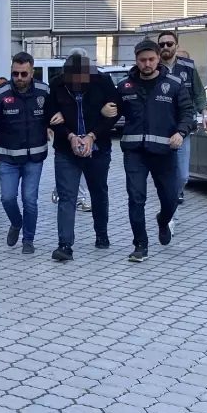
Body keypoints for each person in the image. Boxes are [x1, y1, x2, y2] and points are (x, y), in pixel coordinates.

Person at [117, 40, 195, 262]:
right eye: (142, 60)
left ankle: (163, 220)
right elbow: (112, 113)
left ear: (158, 58)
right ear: (136, 60)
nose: (147, 64)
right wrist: (105, 112)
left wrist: (180, 132)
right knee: (136, 198)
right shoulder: (125, 87)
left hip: (164, 152)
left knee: (171, 198)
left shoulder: (174, 84)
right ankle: (140, 244)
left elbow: (188, 114)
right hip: (135, 153)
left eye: (151, 59)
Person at [44, 52, 121, 262]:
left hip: (98, 149)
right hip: (66, 150)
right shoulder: (57, 84)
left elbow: (115, 112)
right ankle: (65, 245)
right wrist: (70, 136)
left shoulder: (103, 82)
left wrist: (92, 135)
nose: (77, 83)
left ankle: (101, 234)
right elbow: (50, 116)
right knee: (67, 196)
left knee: (98, 192)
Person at [0, 52, 50, 254]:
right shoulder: (0, 94)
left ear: (32, 72)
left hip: (34, 158)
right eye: (15, 74)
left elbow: (53, 113)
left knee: (30, 200)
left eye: (23, 74)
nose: (19, 78)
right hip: (8, 158)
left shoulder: (44, 91)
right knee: (7, 198)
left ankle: (28, 240)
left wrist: (53, 123)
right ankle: (16, 222)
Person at [157, 31, 207, 204]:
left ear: (176, 46)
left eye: (169, 44)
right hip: (160, 126)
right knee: (163, 170)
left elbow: (199, 93)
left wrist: (205, 114)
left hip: (183, 125)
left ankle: (176, 192)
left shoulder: (188, 67)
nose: (165, 47)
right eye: (162, 44)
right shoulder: (154, 67)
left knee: (183, 175)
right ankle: (168, 198)